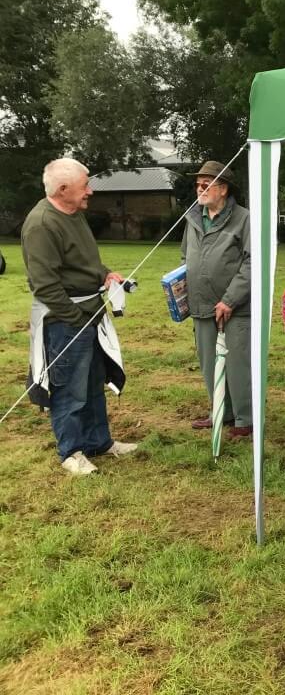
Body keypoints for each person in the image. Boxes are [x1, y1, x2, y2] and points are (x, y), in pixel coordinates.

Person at [21, 158, 138, 475]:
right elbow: (44, 285)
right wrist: (74, 318)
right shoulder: (41, 224)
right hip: (65, 321)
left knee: (92, 383)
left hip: (91, 314)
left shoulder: (75, 214)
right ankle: (71, 451)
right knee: (69, 387)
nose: (90, 191)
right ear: (63, 189)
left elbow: (85, 263)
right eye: (85, 185)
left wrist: (105, 274)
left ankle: (99, 442)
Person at [182, 160, 253, 438]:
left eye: (206, 184)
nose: (200, 189)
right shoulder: (192, 218)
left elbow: (252, 262)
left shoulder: (244, 218)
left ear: (223, 189)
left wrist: (230, 300)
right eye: (197, 184)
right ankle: (221, 412)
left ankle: (245, 419)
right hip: (201, 305)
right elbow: (185, 256)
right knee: (209, 363)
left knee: (237, 364)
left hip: (235, 307)